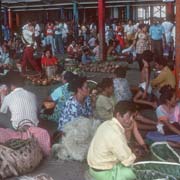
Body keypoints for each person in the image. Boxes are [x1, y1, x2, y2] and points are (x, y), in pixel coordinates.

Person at [87, 101, 148, 180]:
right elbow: (129, 161)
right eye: (129, 116)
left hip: (94, 168)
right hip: (103, 173)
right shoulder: (116, 134)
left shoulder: (107, 123)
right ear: (118, 115)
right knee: (140, 171)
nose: (131, 119)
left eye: (133, 117)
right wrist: (137, 156)